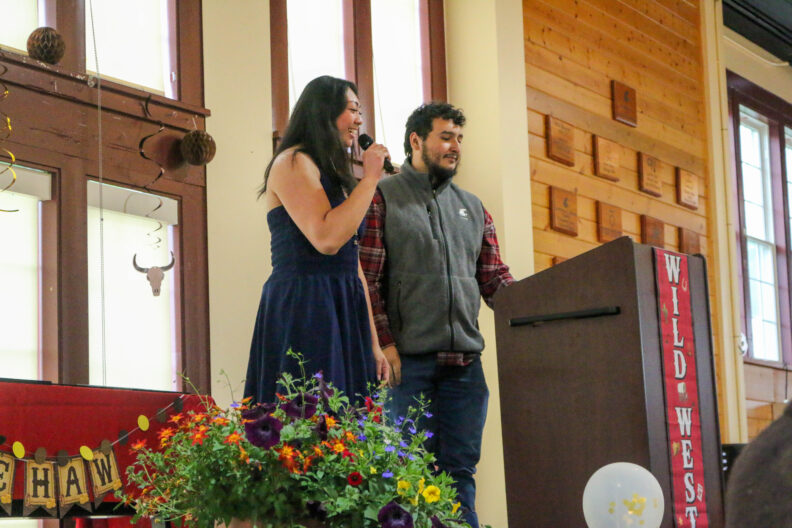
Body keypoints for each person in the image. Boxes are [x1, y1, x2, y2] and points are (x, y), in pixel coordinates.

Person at [360, 102, 514, 527]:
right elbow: (367, 280)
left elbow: (495, 278)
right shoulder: (382, 198)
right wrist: (386, 344)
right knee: (407, 478)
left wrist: (541, 304)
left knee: (460, 474)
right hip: (409, 367)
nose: (455, 147)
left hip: (465, 369)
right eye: (446, 137)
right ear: (416, 141)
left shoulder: (474, 207)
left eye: (459, 139)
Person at [244, 75, 389, 405]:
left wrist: (373, 342)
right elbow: (326, 239)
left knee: (348, 425)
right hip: (307, 302)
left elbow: (352, 264)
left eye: (360, 111)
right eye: (353, 110)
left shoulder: (334, 174)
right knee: (308, 420)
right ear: (325, 111)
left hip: (343, 301)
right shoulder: (293, 161)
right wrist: (370, 178)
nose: (359, 120)